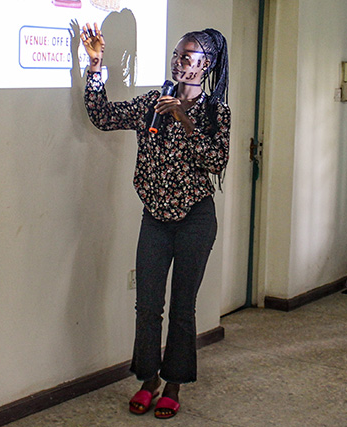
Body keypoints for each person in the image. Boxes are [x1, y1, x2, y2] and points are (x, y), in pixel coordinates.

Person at [79, 23, 230, 419]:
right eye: (177, 54)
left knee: (183, 306)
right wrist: (96, 68)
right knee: (147, 306)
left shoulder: (216, 111)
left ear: (207, 64)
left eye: (189, 57)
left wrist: (184, 118)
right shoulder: (152, 101)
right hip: (156, 218)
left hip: (195, 218)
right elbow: (103, 116)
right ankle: (148, 380)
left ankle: (174, 386)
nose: (180, 63)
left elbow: (216, 161)